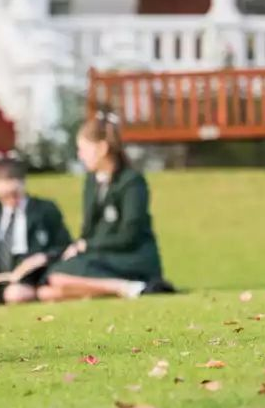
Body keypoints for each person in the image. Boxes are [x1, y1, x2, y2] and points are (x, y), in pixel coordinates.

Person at [41, 113, 173, 301]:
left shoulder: (132, 182)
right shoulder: (92, 182)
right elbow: (88, 229)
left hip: (130, 257)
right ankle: (123, 289)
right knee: (47, 291)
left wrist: (87, 245)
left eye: (83, 149)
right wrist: (80, 246)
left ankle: (126, 285)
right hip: (101, 256)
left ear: (102, 148)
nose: (80, 155)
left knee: (57, 278)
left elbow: (129, 235)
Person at [0, 152, 72, 304]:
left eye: (15, 194)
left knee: (16, 294)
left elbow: (65, 245)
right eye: (5, 195)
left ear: (23, 184)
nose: (11, 199)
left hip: (36, 276)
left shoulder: (45, 209)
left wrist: (44, 257)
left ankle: (38, 293)